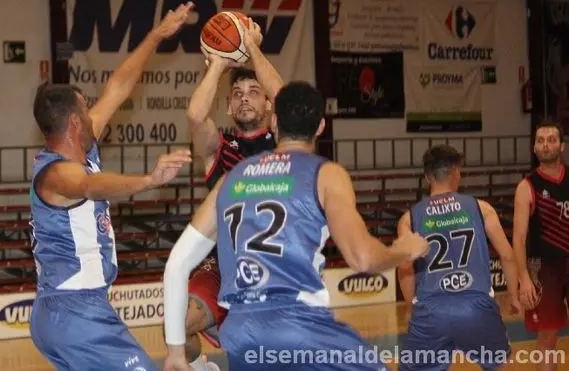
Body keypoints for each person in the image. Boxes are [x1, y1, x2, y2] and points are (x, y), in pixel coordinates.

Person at [161, 81, 429, 371]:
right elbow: (363, 258)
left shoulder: (231, 178)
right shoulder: (326, 173)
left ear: (275, 122)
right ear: (321, 126)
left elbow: (176, 264)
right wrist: (403, 250)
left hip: (242, 333)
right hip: (300, 324)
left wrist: (175, 350)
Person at [28, 3, 195, 371]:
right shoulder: (56, 174)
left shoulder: (82, 149)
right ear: (75, 122)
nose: (95, 113)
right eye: (86, 109)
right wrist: (149, 180)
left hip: (67, 311)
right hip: (75, 310)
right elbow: (90, 186)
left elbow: (118, 87)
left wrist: (157, 35)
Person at [178, 20, 283, 370]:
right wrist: (219, 62)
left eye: (254, 92)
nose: (245, 98)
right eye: (237, 94)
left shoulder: (284, 146)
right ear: (228, 107)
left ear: (268, 105)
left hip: (274, 269)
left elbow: (286, 99)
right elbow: (196, 116)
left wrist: (251, 46)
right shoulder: (219, 148)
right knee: (176, 324)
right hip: (223, 264)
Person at [396, 145, 520, 371]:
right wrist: (513, 295)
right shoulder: (482, 209)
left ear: (427, 177)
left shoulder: (409, 219)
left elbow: (405, 268)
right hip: (477, 306)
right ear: (457, 173)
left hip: (431, 309)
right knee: (502, 366)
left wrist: (411, 307)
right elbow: (507, 255)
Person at [513, 118, 568, 371]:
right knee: (547, 336)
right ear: (534, 147)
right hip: (542, 267)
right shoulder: (527, 187)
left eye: (552, 140)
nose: (546, 145)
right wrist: (524, 278)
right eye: (541, 141)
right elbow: (519, 238)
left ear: (562, 146)